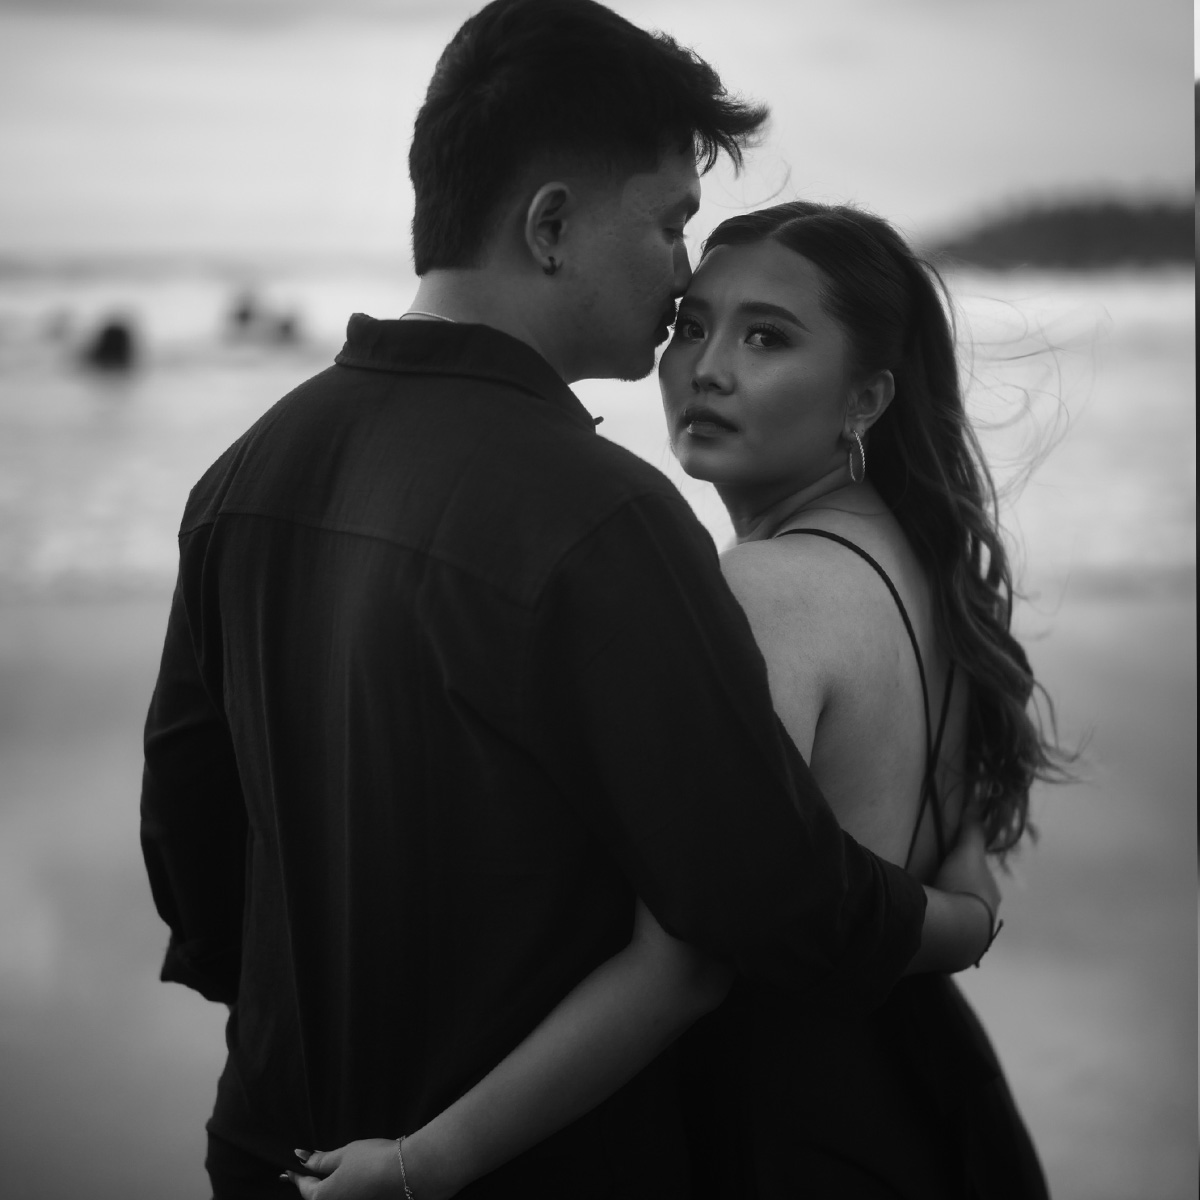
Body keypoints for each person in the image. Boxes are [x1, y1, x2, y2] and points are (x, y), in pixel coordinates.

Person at [140, 3, 998, 1196]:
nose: (682, 268)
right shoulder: (608, 520)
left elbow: (191, 849)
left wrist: (324, 1025)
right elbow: (754, 902)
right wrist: (962, 917)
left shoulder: (239, 478)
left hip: (271, 1148)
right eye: (670, 223)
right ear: (550, 227)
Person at [288, 202, 1061, 1199]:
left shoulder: (767, 593)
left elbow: (683, 967)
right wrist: (967, 917)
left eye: (766, 338)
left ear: (866, 397)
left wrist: (420, 1164)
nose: (708, 369)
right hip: (919, 1083)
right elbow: (957, 872)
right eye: (692, 325)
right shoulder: (919, 563)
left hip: (782, 1123)